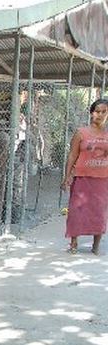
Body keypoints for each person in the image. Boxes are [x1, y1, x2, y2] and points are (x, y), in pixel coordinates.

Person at [61, 98, 108, 255]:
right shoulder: (81, 133)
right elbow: (72, 155)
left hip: (102, 180)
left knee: (99, 212)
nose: (100, 115)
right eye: (97, 111)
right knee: (76, 210)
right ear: (91, 113)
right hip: (82, 178)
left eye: (104, 112)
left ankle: (96, 245)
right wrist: (67, 176)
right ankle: (73, 243)